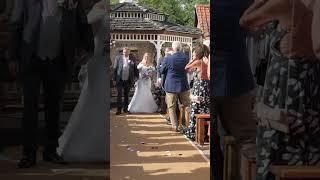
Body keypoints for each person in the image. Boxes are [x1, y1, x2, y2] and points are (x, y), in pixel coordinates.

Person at [7, 0, 94, 168]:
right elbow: (16, 25)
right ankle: (28, 154)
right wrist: (12, 57)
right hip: (31, 58)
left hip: (58, 59)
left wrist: (87, 48)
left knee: (54, 107)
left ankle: (50, 151)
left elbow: (83, 24)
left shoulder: (71, 1)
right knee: (30, 107)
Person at [240, 0, 320, 179]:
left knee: (277, 149)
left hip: (286, 89)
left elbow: (245, 20)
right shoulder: (303, 8)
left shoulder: (285, 3)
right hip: (304, 86)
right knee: (302, 151)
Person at [57, 0, 108, 162]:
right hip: (99, 58)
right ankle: (83, 144)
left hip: (109, 60)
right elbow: (87, 35)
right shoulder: (99, 8)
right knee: (94, 99)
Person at [211, 0, 256, 179]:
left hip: (215, 79)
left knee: (213, 142)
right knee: (247, 140)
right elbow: (254, 29)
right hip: (237, 76)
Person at [160, 41, 190, 132]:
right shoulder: (186, 58)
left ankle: (175, 126)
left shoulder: (168, 58)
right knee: (186, 105)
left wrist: (166, 57)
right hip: (183, 85)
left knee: (171, 107)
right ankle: (186, 126)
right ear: (180, 48)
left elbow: (162, 71)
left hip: (171, 86)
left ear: (173, 48)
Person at [185, 44, 210, 141]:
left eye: (194, 52)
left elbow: (187, 68)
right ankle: (203, 134)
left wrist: (193, 59)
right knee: (203, 109)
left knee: (195, 110)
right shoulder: (204, 62)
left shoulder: (199, 62)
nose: (193, 54)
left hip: (200, 88)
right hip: (204, 88)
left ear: (198, 53)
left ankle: (193, 134)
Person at [113, 47, 136, 115]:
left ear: (129, 52)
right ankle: (119, 110)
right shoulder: (118, 58)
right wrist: (114, 79)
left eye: (126, 52)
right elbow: (115, 69)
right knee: (119, 95)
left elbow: (135, 69)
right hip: (119, 79)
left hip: (128, 80)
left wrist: (135, 78)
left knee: (126, 95)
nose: (125, 53)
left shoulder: (132, 58)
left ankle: (125, 109)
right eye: (124, 52)